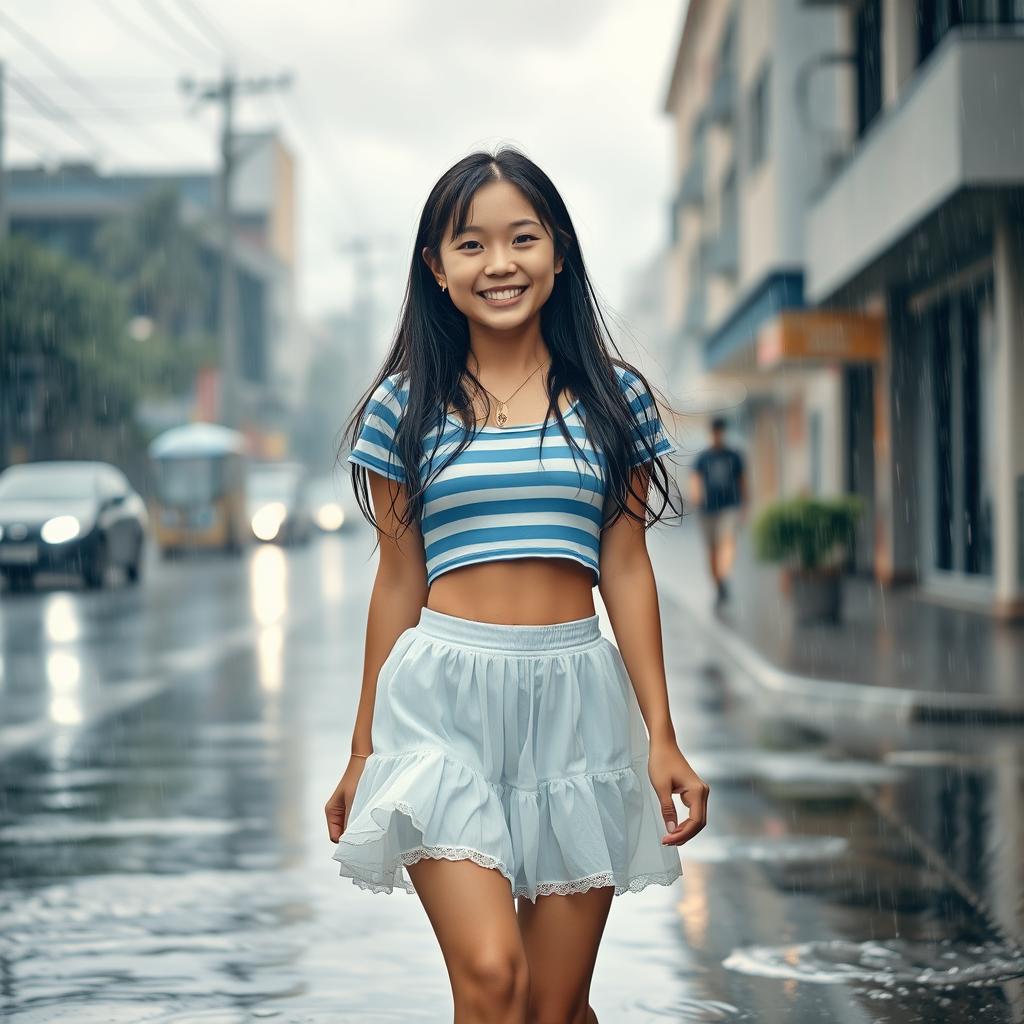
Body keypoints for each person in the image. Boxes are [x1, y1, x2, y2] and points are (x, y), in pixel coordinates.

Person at [325, 146, 709, 1024]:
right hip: (439, 704)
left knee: (554, 1006)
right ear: (437, 267)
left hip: (576, 701)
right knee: (494, 981)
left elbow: (625, 567)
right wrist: (361, 753)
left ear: (559, 251)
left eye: (522, 239)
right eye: (471, 245)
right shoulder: (403, 405)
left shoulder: (615, 401)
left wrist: (663, 736)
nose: (499, 264)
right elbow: (397, 582)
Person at [689, 417, 746, 608]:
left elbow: (742, 481)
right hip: (708, 509)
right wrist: (696, 497)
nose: (717, 436)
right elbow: (695, 479)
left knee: (727, 541)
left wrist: (744, 505)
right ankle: (719, 583)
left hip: (729, 506)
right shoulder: (703, 458)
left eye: (720, 432)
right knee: (712, 549)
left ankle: (723, 575)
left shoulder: (733, 456)